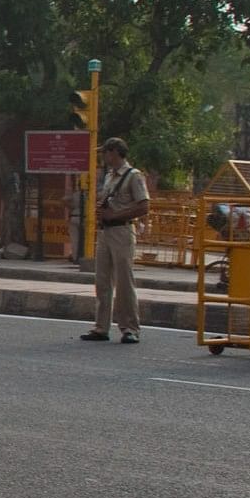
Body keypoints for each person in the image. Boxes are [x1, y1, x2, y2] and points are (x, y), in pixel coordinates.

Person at [82, 136, 150, 345]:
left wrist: (116, 215)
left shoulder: (133, 176)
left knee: (123, 282)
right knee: (102, 281)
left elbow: (143, 206)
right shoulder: (110, 176)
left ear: (114, 152)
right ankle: (101, 326)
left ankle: (130, 327)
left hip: (122, 231)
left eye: (105, 152)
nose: (103, 156)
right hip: (105, 232)